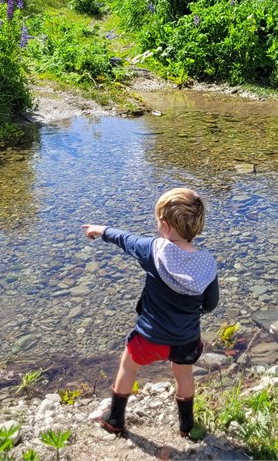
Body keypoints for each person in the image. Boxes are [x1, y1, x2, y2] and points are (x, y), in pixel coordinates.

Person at [82, 187, 219, 439]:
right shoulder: (207, 263)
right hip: (186, 340)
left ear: (165, 226)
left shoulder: (153, 250)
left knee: (128, 366)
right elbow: (211, 303)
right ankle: (187, 425)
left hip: (149, 338)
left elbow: (125, 239)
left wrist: (100, 230)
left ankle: (115, 418)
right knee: (184, 373)